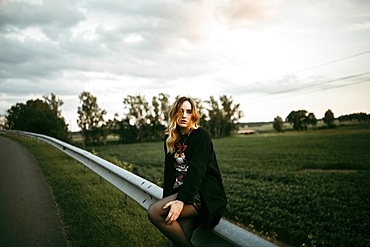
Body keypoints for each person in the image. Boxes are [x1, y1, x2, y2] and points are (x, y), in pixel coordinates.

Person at [147, 97, 227, 247]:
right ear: (174, 114)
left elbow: (197, 170)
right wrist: (170, 198)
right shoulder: (170, 139)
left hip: (201, 194)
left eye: (188, 112)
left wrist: (181, 201)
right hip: (183, 193)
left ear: (193, 115)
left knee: (155, 212)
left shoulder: (201, 136)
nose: (184, 116)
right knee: (175, 244)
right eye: (180, 111)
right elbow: (170, 174)